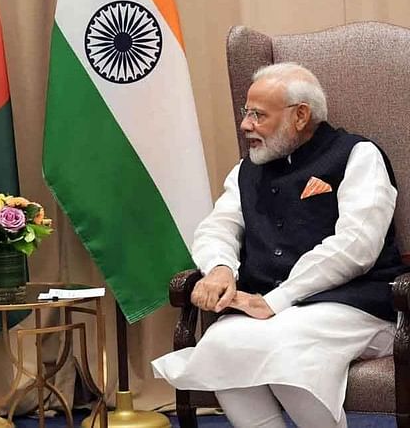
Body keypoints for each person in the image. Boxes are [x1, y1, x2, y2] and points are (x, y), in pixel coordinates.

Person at [151, 63, 408, 428]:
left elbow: (356, 246)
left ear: (300, 115)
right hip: (273, 309)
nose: (245, 125)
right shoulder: (245, 170)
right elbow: (218, 227)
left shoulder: (358, 155)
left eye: (258, 115)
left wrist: (275, 301)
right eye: (246, 113)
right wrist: (221, 268)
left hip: (355, 303)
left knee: (287, 349)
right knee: (221, 345)